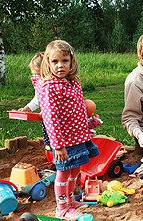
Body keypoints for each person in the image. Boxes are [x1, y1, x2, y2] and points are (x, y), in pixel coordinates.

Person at [31, 40, 99, 220]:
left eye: (65, 61)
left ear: (71, 61)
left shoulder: (74, 83)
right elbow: (50, 119)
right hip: (63, 141)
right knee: (63, 172)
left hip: (78, 137)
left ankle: (69, 200)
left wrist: (89, 124)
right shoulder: (49, 88)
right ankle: (61, 208)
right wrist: (58, 145)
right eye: (55, 61)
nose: (60, 65)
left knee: (75, 170)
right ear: (47, 63)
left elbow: (77, 111)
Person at [18, 52, 51, 149]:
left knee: (58, 136)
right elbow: (37, 100)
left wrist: (46, 110)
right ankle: (49, 151)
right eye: (35, 74)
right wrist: (28, 108)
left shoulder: (53, 84)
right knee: (47, 135)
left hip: (58, 118)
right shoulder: (39, 83)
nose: (38, 77)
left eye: (40, 74)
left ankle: (62, 152)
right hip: (46, 118)